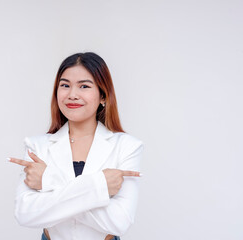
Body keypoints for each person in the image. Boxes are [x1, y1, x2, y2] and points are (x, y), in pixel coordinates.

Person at [8, 52, 144, 240]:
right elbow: (25, 214)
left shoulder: (127, 146)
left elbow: (118, 222)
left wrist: (49, 180)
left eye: (84, 86)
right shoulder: (36, 146)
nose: (72, 95)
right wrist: (98, 188)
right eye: (65, 85)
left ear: (103, 96)